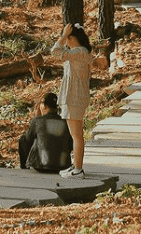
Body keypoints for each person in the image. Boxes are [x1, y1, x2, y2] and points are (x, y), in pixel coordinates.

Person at [51, 23, 93, 178]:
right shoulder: (79, 52)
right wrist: (64, 36)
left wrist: (62, 37)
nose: (65, 42)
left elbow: (55, 52)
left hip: (75, 97)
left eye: (67, 38)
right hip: (73, 96)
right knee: (74, 134)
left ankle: (79, 169)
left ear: (72, 38)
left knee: (76, 135)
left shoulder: (79, 52)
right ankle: (75, 166)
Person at [18, 91, 73, 172]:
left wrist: (36, 117)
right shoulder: (65, 122)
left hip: (42, 166)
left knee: (24, 139)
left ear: (44, 106)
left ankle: (24, 167)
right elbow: (71, 144)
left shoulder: (37, 121)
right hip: (63, 166)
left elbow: (27, 140)